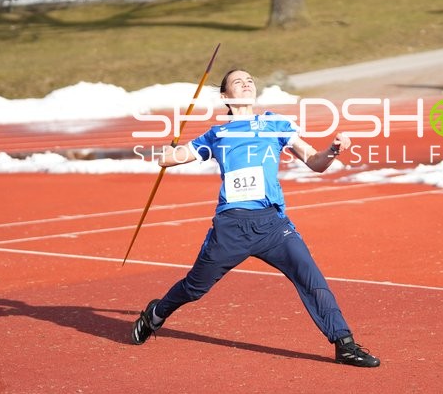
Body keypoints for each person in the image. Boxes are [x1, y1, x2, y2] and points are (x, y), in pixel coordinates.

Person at [131, 69, 380, 368]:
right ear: (225, 96)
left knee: (310, 277)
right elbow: (168, 159)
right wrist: (170, 151)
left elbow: (316, 163)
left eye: (249, 80)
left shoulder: (276, 124)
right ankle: (157, 313)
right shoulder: (217, 134)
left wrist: (333, 150)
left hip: (273, 225)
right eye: (238, 81)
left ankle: (345, 344)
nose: (246, 83)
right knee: (195, 288)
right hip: (232, 227)